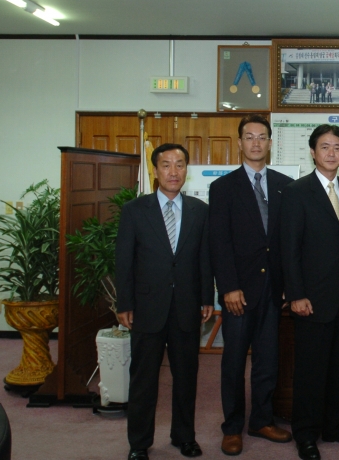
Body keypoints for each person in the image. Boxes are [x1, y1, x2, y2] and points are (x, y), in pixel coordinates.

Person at [116, 143, 214, 460]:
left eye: (180, 164)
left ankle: (184, 436)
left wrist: (205, 298)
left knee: (186, 376)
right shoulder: (134, 210)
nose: (174, 171)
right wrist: (124, 303)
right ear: (155, 170)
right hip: (146, 308)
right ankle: (139, 443)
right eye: (167, 165)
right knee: (144, 379)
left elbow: (204, 259)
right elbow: (124, 262)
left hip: (187, 307)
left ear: (187, 169)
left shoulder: (200, 210)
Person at [209, 114, 294, 456]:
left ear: (270, 143)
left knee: (267, 361)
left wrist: (290, 285)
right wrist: (228, 287)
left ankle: (261, 419)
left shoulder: (286, 185)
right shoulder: (223, 187)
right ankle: (231, 427)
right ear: (240, 143)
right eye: (249, 137)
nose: (256, 142)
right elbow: (219, 242)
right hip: (238, 294)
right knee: (232, 362)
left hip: (274, 291)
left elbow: (288, 241)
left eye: (262, 137)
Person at [281, 124, 339, 460]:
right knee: (310, 370)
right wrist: (296, 293)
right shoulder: (296, 191)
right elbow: (289, 247)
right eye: (325, 147)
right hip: (310, 299)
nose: (332, 153)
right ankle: (306, 433)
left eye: (338, 147)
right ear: (313, 152)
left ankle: (335, 425)